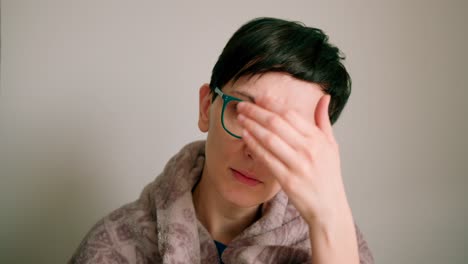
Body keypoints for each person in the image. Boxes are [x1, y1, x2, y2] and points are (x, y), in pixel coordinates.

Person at [70, 17, 374, 264]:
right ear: (206, 108)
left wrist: (330, 221)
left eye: (286, 135)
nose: (255, 152)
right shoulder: (112, 248)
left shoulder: (339, 243)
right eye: (243, 112)